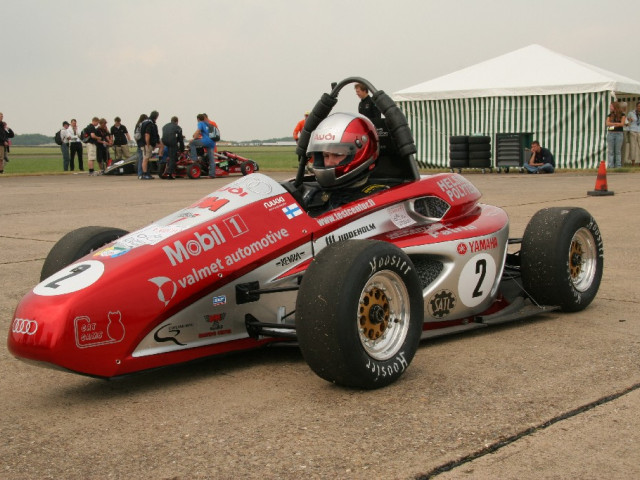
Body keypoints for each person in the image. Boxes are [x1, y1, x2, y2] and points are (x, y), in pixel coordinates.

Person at [304, 112, 387, 216]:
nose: (329, 163)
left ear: (362, 153)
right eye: (325, 156)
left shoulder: (381, 199)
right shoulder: (313, 195)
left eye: (338, 155)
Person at [190, 113, 216, 178]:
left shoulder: (200, 123)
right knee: (211, 159)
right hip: (212, 142)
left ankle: (194, 159)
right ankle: (212, 174)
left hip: (206, 141)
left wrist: (193, 139)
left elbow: (198, 131)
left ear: (198, 119)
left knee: (192, 143)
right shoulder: (208, 124)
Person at [141, 111, 161, 180]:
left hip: (147, 143)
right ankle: (144, 174)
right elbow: (147, 134)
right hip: (146, 144)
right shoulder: (150, 123)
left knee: (146, 158)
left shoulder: (146, 122)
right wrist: (148, 144)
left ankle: (146, 173)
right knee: (145, 158)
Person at [606, 101, 626, 168]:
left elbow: (622, 124)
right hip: (611, 133)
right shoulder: (610, 115)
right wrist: (616, 124)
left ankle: (618, 165)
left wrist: (614, 124)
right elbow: (607, 124)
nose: (610, 107)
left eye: (611, 106)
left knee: (617, 151)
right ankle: (610, 165)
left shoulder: (622, 115)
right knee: (611, 151)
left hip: (619, 133)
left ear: (614, 107)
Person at [133, 113, 148, 178]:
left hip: (139, 143)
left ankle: (140, 173)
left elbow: (135, 136)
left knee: (140, 159)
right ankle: (141, 173)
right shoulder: (143, 126)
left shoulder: (137, 125)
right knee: (143, 159)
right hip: (142, 144)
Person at [626, 101, 640, 167]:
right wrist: (629, 120)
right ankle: (633, 163)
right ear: (636, 106)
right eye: (638, 106)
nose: (639, 107)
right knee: (633, 147)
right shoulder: (631, 113)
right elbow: (626, 120)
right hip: (633, 131)